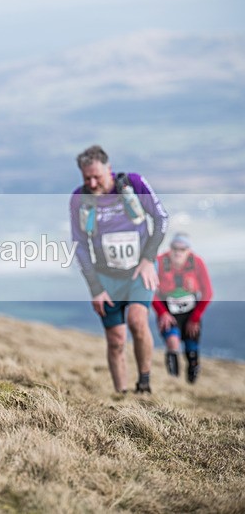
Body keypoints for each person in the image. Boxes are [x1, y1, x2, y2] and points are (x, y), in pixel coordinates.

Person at [69, 145, 169, 394]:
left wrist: (148, 259)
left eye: (97, 176)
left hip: (138, 271)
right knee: (115, 340)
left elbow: (161, 219)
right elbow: (80, 246)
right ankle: (121, 395)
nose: (92, 182)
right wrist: (95, 288)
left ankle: (144, 384)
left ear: (109, 170)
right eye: (86, 178)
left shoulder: (133, 184)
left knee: (137, 321)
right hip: (106, 277)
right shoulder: (80, 199)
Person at [152, 232, 213, 384]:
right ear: (170, 248)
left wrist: (195, 318)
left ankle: (191, 382)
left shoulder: (197, 262)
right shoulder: (159, 262)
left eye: (183, 249)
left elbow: (207, 292)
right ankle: (174, 382)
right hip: (168, 311)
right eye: (175, 248)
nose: (178, 252)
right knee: (173, 342)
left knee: (192, 348)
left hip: (191, 312)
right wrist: (162, 313)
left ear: (189, 250)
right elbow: (150, 292)